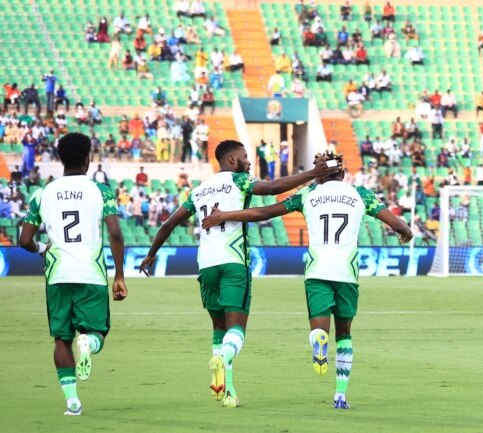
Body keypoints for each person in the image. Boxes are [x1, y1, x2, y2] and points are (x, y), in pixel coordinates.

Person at [200, 151, 413, 410]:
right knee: (344, 333)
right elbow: (394, 222)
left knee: (319, 328)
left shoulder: (307, 194)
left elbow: (263, 212)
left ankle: (317, 340)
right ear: (342, 173)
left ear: (322, 174)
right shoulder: (360, 194)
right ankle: (340, 396)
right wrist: (406, 232)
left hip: (318, 271)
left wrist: (225, 215)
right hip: (347, 272)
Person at [138, 140, 339, 408]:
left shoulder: (198, 191)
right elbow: (271, 189)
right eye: (245, 157)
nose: (249, 161)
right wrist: (314, 173)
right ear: (232, 161)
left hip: (206, 264)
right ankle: (223, 361)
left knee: (218, 328)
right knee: (236, 330)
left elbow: (168, 223)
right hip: (233, 261)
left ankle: (228, 389)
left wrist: (151, 254)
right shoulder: (239, 180)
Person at [19, 133, 128, 416]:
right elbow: (115, 232)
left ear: (60, 158)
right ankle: (88, 342)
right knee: (97, 332)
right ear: (87, 158)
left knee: (60, 339)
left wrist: (43, 247)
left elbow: (24, 240)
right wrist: (119, 275)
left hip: (57, 275)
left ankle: (72, 402)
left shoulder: (42, 193)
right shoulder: (100, 190)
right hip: (90, 273)